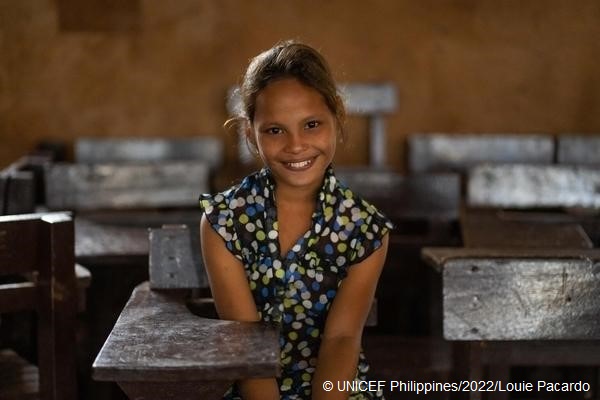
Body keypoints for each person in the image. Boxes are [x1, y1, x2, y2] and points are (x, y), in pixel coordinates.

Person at [199, 40, 393, 400]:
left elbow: (341, 339)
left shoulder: (365, 229)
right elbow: (245, 343)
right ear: (250, 134)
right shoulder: (224, 221)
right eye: (275, 130)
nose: (296, 145)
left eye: (312, 124)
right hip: (251, 388)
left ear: (337, 119)